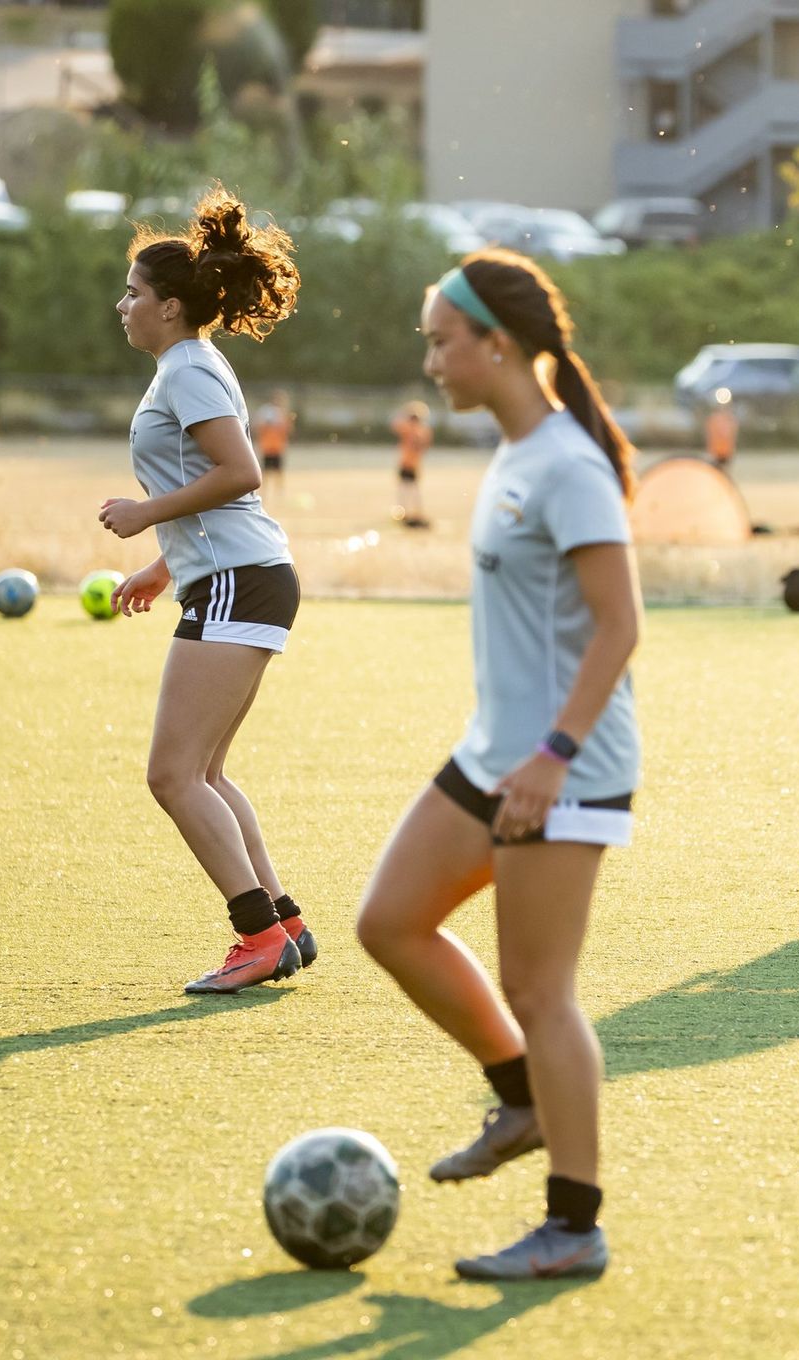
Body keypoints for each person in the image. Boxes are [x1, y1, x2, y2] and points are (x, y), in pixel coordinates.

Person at [356, 249, 641, 1281]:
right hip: (494, 756)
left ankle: (575, 1224)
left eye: (440, 339)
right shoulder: (514, 455)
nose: (429, 359)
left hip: (563, 770)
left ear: (497, 344)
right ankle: (518, 1098)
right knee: (387, 922)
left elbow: (620, 626)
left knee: (542, 987)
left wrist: (555, 757)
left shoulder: (566, 464)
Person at [100, 188, 318, 995]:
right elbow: (213, 482)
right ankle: (283, 922)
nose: (122, 304)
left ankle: (256, 936)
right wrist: (163, 566)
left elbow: (239, 473)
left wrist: (144, 515)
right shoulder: (187, 366)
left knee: (173, 775)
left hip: (240, 581)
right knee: (207, 774)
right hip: (235, 577)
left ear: (171, 308)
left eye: (133, 294)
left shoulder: (188, 371)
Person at [390, 398, 433, 528]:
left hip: (410, 464)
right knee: (407, 489)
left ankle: (411, 512)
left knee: (410, 489)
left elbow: (395, 425)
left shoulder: (414, 430)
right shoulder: (419, 430)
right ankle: (407, 512)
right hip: (408, 463)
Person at [253, 388, 294, 500]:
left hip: (278, 447)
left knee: (279, 471)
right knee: (266, 471)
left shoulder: (283, 413)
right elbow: (259, 426)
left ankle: (279, 493)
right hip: (267, 446)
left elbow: (288, 430)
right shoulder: (267, 411)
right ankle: (264, 493)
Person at [704, 387, 738, 470]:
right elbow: (710, 436)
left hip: (727, 452)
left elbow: (733, 436)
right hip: (715, 452)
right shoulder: (713, 419)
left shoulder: (730, 419)